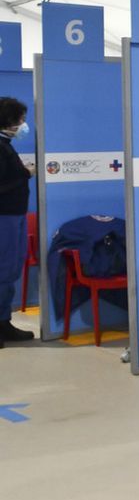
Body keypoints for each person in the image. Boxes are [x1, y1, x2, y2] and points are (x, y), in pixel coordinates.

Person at [0, 97, 35, 346]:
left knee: (11, 270)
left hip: (15, 214)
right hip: (4, 216)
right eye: (19, 119)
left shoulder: (6, 145)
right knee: (3, 270)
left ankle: (4, 322)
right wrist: (25, 173)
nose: (23, 124)